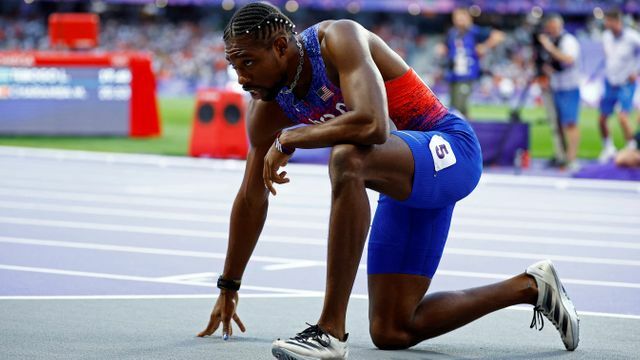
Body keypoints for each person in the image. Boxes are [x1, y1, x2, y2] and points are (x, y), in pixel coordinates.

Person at [197, 3, 579, 359]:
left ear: (280, 47)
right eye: (234, 66)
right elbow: (251, 196)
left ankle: (330, 330)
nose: (242, 78)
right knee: (393, 329)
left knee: (347, 156)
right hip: (403, 179)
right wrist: (229, 284)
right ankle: (532, 286)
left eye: (247, 62)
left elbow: (373, 124)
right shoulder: (266, 107)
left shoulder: (337, 40)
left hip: (450, 149)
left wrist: (290, 137)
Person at [437, 7, 504, 118]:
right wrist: (442, 49)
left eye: (462, 17)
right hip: (453, 74)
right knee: (453, 108)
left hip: (467, 74)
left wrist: (485, 46)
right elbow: (447, 47)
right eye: (457, 17)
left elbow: (498, 35)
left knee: (460, 107)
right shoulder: (452, 33)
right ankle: (461, 130)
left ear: (468, 18)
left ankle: (467, 130)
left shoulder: (475, 31)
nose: (459, 20)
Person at [537, 14, 581, 170]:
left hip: (569, 87)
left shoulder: (568, 41)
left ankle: (572, 159)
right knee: (559, 125)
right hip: (556, 87)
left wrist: (549, 47)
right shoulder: (555, 40)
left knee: (570, 124)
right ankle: (562, 156)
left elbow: (569, 59)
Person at [598, 8, 640, 163]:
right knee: (602, 118)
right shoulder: (606, 37)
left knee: (623, 117)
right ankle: (608, 147)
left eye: (610, 21)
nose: (607, 24)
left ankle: (631, 147)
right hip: (610, 81)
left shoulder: (633, 37)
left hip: (625, 83)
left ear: (618, 21)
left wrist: (636, 71)